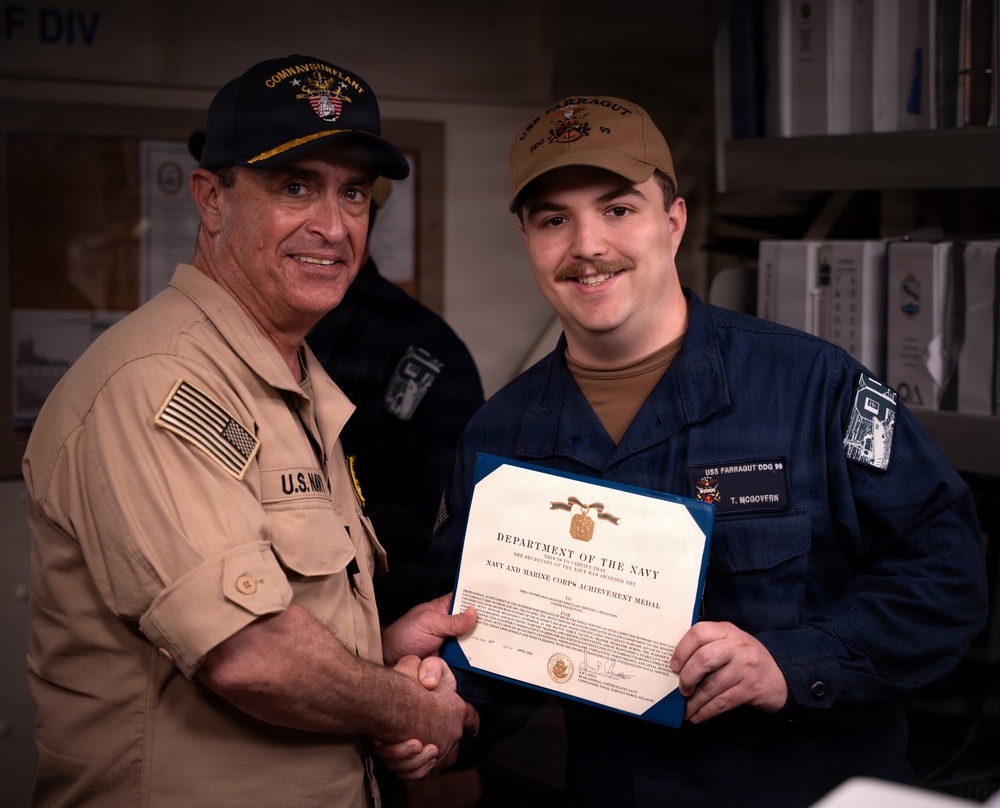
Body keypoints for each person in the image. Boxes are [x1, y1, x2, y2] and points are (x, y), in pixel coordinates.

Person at [414, 96, 990, 807]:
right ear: (528, 239)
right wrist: (447, 714)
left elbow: (947, 576)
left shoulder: (814, 387)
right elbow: (485, 648)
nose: (587, 244)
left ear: (674, 221)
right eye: (553, 219)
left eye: (618, 208)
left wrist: (790, 661)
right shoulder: (499, 435)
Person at [21, 54, 478, 808]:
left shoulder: (286, 380)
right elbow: (249, 653)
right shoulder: (161, 380)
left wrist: (385, 650)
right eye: (294, 185)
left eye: (354, 193)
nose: (332, 226)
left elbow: (289, 619)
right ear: (210, 198)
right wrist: (414, 707)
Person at [307, 177, 485, 626]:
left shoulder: (423, 356)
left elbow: (447, 542)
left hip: (381, 643)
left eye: (350, 197)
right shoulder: (276, 337)